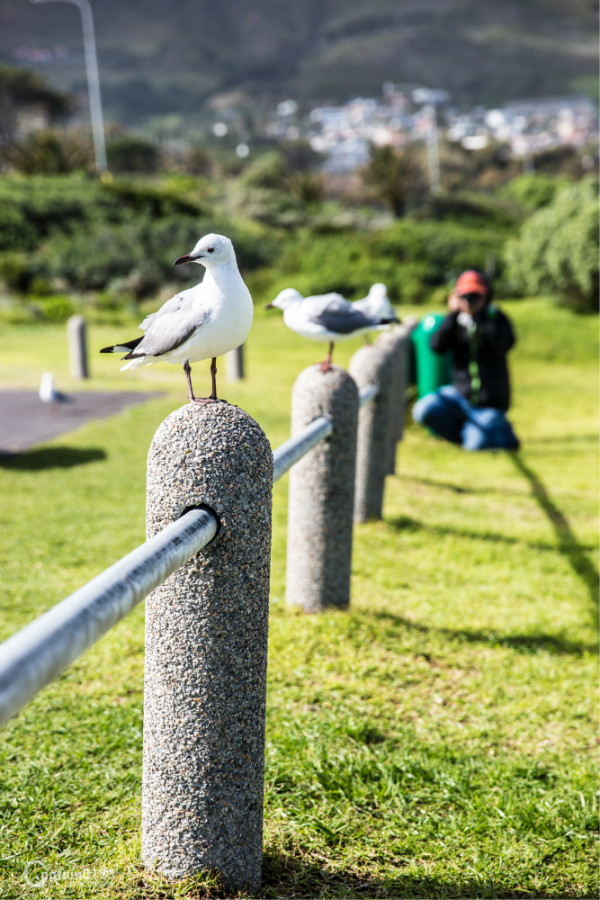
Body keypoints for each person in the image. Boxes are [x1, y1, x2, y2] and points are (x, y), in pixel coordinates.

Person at [412, 269, 520, 450]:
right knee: (423, 411)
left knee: (476, 446)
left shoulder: (496, 318)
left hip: (489, 403)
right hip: (460, 396)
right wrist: (453, 314)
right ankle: (471, 431)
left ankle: (501, 431)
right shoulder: (455, 322)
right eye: (466, 295)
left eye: (476, 296)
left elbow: (503, 344)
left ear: (487, 296)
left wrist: (478, 318)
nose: (470, 300)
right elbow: (437, 347)